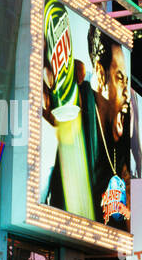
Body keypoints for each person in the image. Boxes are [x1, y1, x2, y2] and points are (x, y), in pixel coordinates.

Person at [43, 23, 133, 230]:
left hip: (105, 240)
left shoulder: (124, 127)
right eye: (120, 80)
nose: (126, 92)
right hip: (63, 226)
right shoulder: (80, 96)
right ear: (101, 76)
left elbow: (126, 186)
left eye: (126, 82)